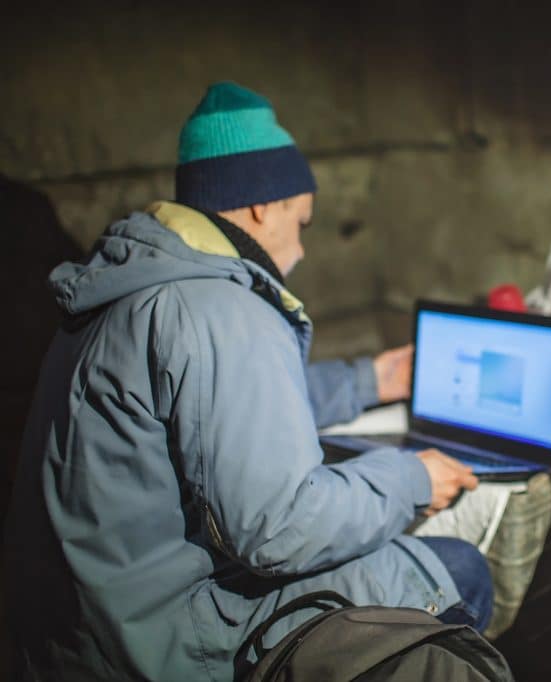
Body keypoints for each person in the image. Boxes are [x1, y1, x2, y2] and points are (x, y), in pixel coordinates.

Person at [3, 81, 491, 681]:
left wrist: (372, 379)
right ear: (263, 205)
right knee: (459, 569)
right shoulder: (220, 307)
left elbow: (221, 409)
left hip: (86, 628)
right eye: (303, 222)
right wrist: (413, 476)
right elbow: (279, 528)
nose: (304, 250)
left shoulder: (133, 286)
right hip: (166, 643)